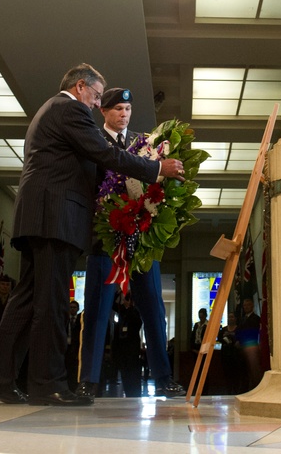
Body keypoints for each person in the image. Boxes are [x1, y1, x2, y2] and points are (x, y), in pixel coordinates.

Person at [0, 64, 184, 407]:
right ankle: (48, 384)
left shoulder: (51, 111)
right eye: (97, 96)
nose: (96, 103)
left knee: (27, 299)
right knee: (51, 303)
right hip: (55, 217)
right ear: (79, 87)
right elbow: (104, 153)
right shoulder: (69, 109)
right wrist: (156, 169)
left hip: (39, 216)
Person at [77, 87, 186, 402]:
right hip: (106, 242)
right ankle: (89, 381)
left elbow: (156, 182)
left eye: (127, 109)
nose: (124, 114)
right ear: (104, 111)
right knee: (97, 312)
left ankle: (164, 379)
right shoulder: (94, 141)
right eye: (117, 109)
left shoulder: (144, 145)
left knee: (154, 310)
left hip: (142, 239)